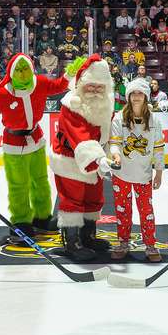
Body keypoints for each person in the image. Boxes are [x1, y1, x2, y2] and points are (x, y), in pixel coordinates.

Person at [0, 54, 82, 243]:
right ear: (11, 72)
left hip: (36, 138)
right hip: (13, 144)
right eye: (18, 70)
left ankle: (42, 218)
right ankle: (21, 221)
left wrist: (68, 75)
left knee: (40, 181)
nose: (23, 74)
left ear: (32, 69)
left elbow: (58, 86)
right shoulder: (3, 92)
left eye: (26, 69)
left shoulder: (38, 83)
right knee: (18, 186)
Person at [49, 54, 115, 261]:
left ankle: (88, 236)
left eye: (100, 87)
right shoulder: (72, 106)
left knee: (93, 198)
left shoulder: (107, 103)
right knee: (73, 200)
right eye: (91, 86)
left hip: (95, 159)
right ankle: (72, 242)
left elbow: (107, 130)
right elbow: (81, 136)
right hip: (70, 158)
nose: (95, 91)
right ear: (80, 84)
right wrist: (99, 159)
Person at [108, 78, 165, 262]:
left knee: (146, 210)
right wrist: (115, 155)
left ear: (146, 95)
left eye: (140, 93)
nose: (136, 97)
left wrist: (159, 172)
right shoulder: (119, 117)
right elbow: (115, 143)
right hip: (121, 174)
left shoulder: (154, 119)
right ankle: (123, 242)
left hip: (144, 174)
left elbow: (158, 148)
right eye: (133, 93)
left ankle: (150, 245)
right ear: (128, 96)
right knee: (122, 211)